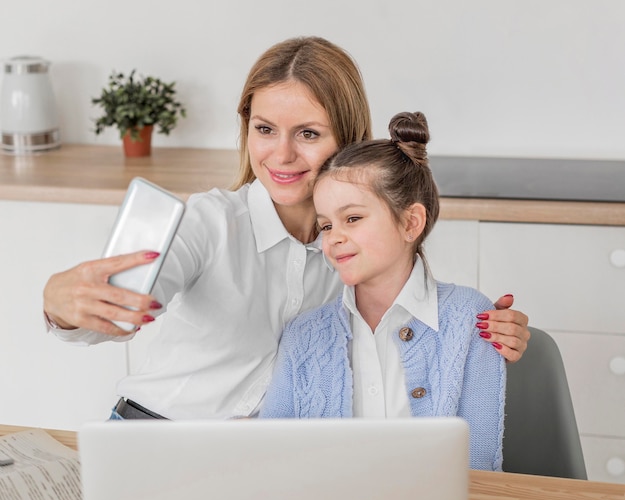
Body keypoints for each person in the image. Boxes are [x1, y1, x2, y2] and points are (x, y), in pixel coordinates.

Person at [42, 36, 528, 422]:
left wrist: (491, 330)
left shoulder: (356, 245)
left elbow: (416, 314)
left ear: (348, 139)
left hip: (262, 460)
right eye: (265, 129)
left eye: (309, 134)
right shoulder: (210, 223)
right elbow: (123, 305)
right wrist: (63, 305)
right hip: (154, 431)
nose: (281, 155)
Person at [260, 111, 505, 471]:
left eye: (353, 218)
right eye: (326, 225)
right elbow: (271, 457)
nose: (335, 237)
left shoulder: (470, 319)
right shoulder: (304, 336)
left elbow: (479, 466)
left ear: (410, 222)